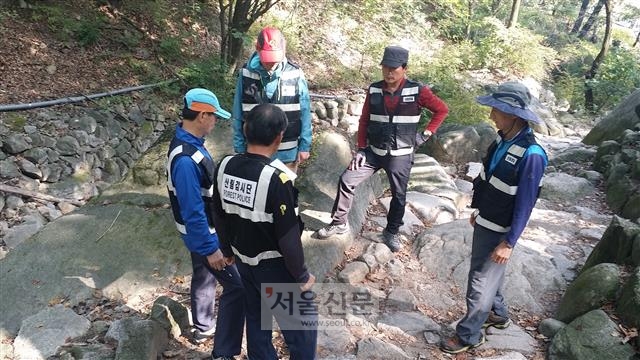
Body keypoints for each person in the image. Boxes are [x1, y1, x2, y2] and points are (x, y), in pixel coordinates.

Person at [440, 82, 548, 354]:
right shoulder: (503, 138)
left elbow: (525, 203)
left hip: (501, 229)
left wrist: (509, 243)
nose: (491, 115)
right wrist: (479, 210)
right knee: (489, 276)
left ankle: (469, 335)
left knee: (480, 279)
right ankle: (497, 314)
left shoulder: (532, 155)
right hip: (488, 218)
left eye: (497, 110)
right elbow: (489, 179)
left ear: (514, 115)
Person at [316, 45, 449, 252]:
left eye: (393, 68)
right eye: (385, 67)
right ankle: (339, 223)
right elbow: (364, 120)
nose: (388, 72)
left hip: (401, 154)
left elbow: (441, 110)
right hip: (373, 152)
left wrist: (426, 134)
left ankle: (391, 231)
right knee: (347, 179)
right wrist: (361, 148)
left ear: (404, 68)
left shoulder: (418, 91)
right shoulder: (375, 89)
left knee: (399, 195)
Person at [166, 88, 245, 360]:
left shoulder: (185, 143)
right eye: (213, 117)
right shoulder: (186, 160)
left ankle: (203, 327)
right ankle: (223, 349)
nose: (215, 122)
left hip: (198, 236)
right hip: (205, 236)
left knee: (203, 276)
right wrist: (212, 247)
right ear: (201, 115)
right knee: (237, 287)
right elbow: (193, 210)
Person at [232, 26, 312, 173]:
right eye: (267, 58)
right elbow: (237, 112)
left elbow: (305, 112)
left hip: (287, 154)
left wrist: (305, 146)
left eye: (275, 58)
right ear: (257, 48)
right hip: (254, 154)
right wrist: (239, 146)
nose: (271, 63)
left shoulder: (295, 74)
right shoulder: (245, 74)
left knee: (283, 194)